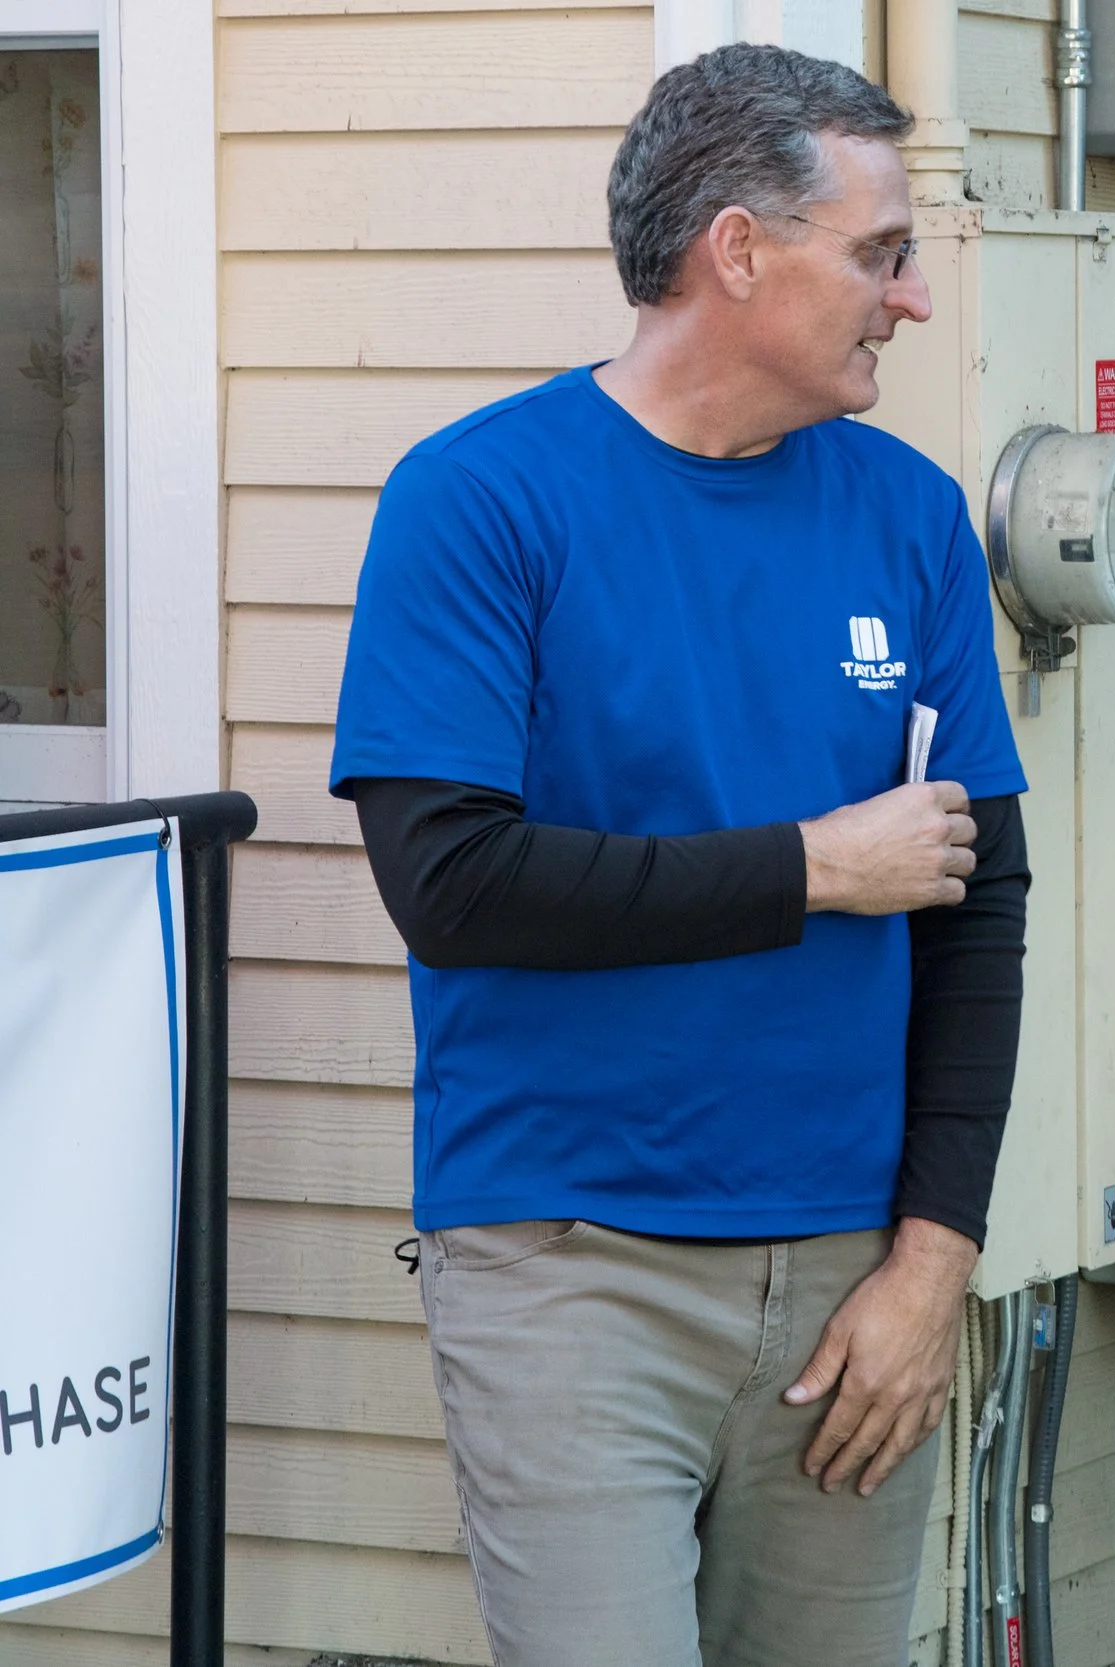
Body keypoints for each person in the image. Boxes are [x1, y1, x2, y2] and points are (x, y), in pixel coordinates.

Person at [326, 45, 1029, 1667]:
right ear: (737, 251)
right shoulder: (480, 500)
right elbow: (453, 883)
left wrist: (935, 1257)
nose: (910, 297)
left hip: (857, 1272)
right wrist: (807, 869)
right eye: (880, 253)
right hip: (571, 1267)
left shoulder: (909, 517)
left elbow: (980, 908)